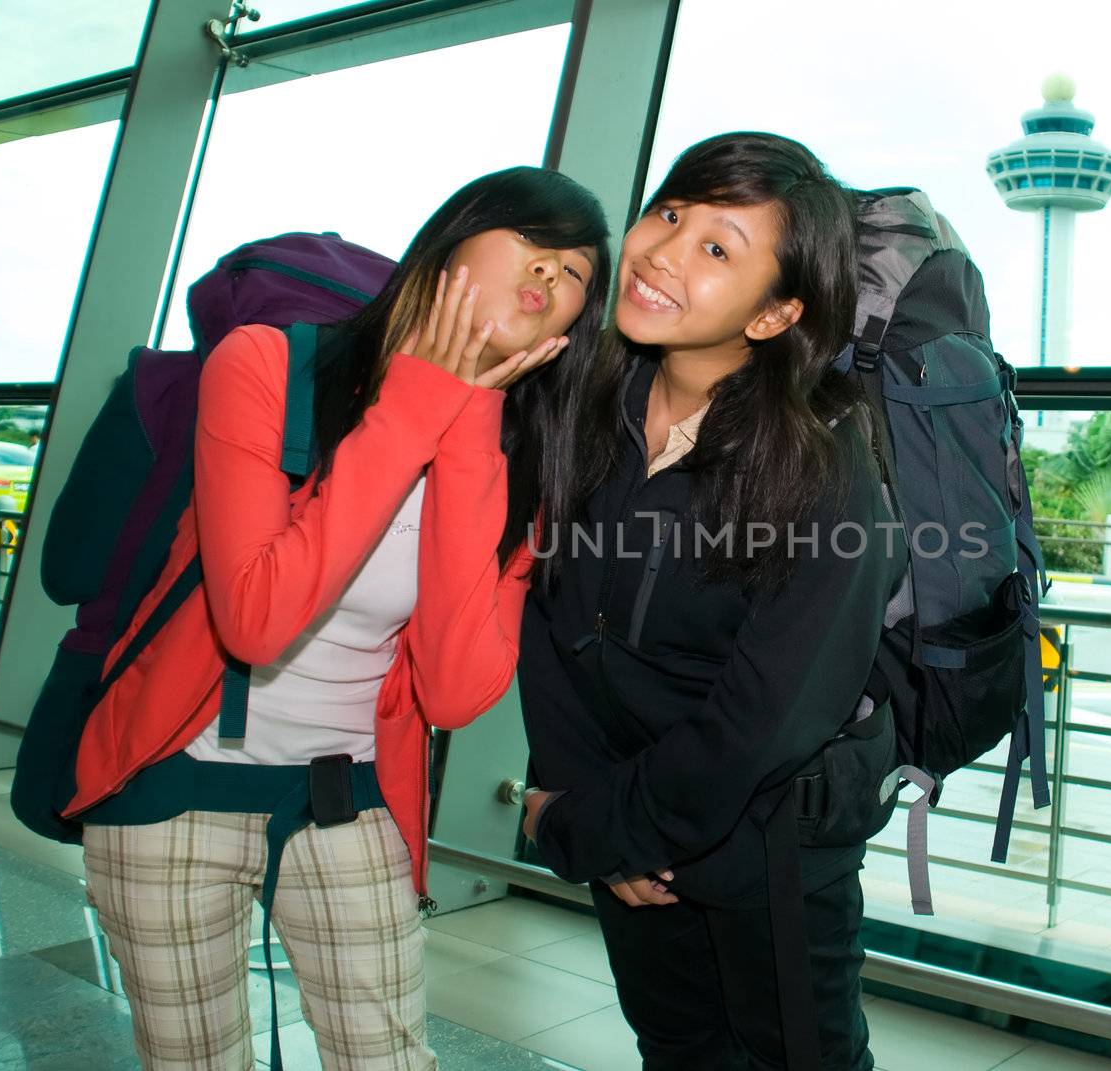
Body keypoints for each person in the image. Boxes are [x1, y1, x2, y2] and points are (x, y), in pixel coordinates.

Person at [65, 167, 610, 1071]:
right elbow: (256, 620)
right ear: (452, 241)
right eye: (533, 244)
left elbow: (455, 689)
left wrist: (471, 416)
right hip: (172, 781)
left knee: (389, 1059)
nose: (552, 276)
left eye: (576, 276)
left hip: (346, 794)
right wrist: (415, 403)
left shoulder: (524, 469)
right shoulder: (266, 368)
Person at [518, 133, 902, 1071]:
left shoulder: (822, 456)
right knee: (678, 1052)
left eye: (717, 249)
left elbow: (770, 711)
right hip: (627, 837)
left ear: (774, 316)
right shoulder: (584, 404)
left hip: (770, 844)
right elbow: (555, 625)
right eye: (671, 214)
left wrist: (592, 830)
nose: (660, 251)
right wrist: (577, 804)